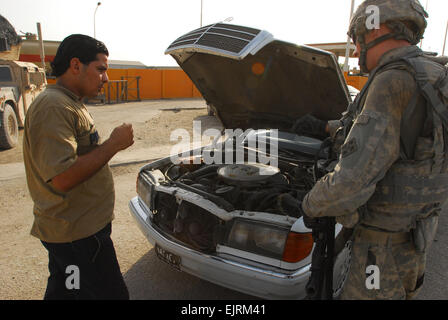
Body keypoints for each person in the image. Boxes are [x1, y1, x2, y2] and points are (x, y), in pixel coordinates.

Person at [291, 0, 448, 299]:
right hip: (414, 239)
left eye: (356, 37)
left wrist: (311, 204)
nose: (355, 46)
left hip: (380, 253)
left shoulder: (392, 81)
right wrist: (326, 127)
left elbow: (351, 182)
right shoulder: (430, 74)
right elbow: (403, 136)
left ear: (375, 29)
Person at [23, 34, 134, 300]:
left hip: (77, 232)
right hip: (78, 237)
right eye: (101, 69)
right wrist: (113, 145)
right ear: (75, 65)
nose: (105, 79)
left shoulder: (69, 103)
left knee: (67, 289)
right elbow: (61, 177)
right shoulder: (53, 106)